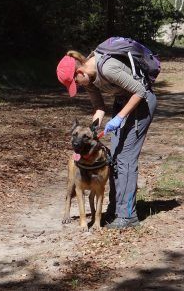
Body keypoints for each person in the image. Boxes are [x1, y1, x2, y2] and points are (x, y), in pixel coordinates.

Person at [56, 44, 157, 229]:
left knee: (125, 159)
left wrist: (118, 118)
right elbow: (99, 108)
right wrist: (93, 131)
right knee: (113, 158)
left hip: (141, 103)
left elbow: (140, 91)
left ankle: (127, 216)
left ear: (79, 71)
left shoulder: (107, 67)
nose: (77, 86)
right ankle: (115, 210)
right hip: (123, 102)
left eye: (75, 82)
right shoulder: (89, 78)